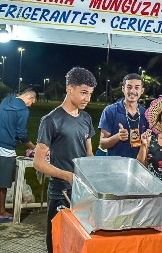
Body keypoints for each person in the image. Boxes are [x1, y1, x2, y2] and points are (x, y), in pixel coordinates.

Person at [33, 67, 97, 253]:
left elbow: (89, 154)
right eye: (83, 92)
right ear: (70, 89)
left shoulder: (86, 118)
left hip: (83, 193)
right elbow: (39, 162)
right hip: (61, 193)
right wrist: (66, 175)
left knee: (80, 242)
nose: (87, 98)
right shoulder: (51, 120)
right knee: (57, 242)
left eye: (90, 94)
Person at [0, 88, 37, 222]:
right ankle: (1, 211)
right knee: (3, 181)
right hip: (6, 149)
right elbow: (22, 133)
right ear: (30, 98)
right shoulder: (23, 111)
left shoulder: (6, 100)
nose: (30, 105)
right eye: (32, 103)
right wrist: (34, 147)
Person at [96, 73, 149, 158]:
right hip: (115, 166)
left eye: (137, 87)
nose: (132, 91)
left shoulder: (146, 114)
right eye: (129, 87)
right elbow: (102, 144)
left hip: (138, 165)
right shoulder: (111, 111)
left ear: (142, 91)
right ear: (123, 89)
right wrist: (117, 137)